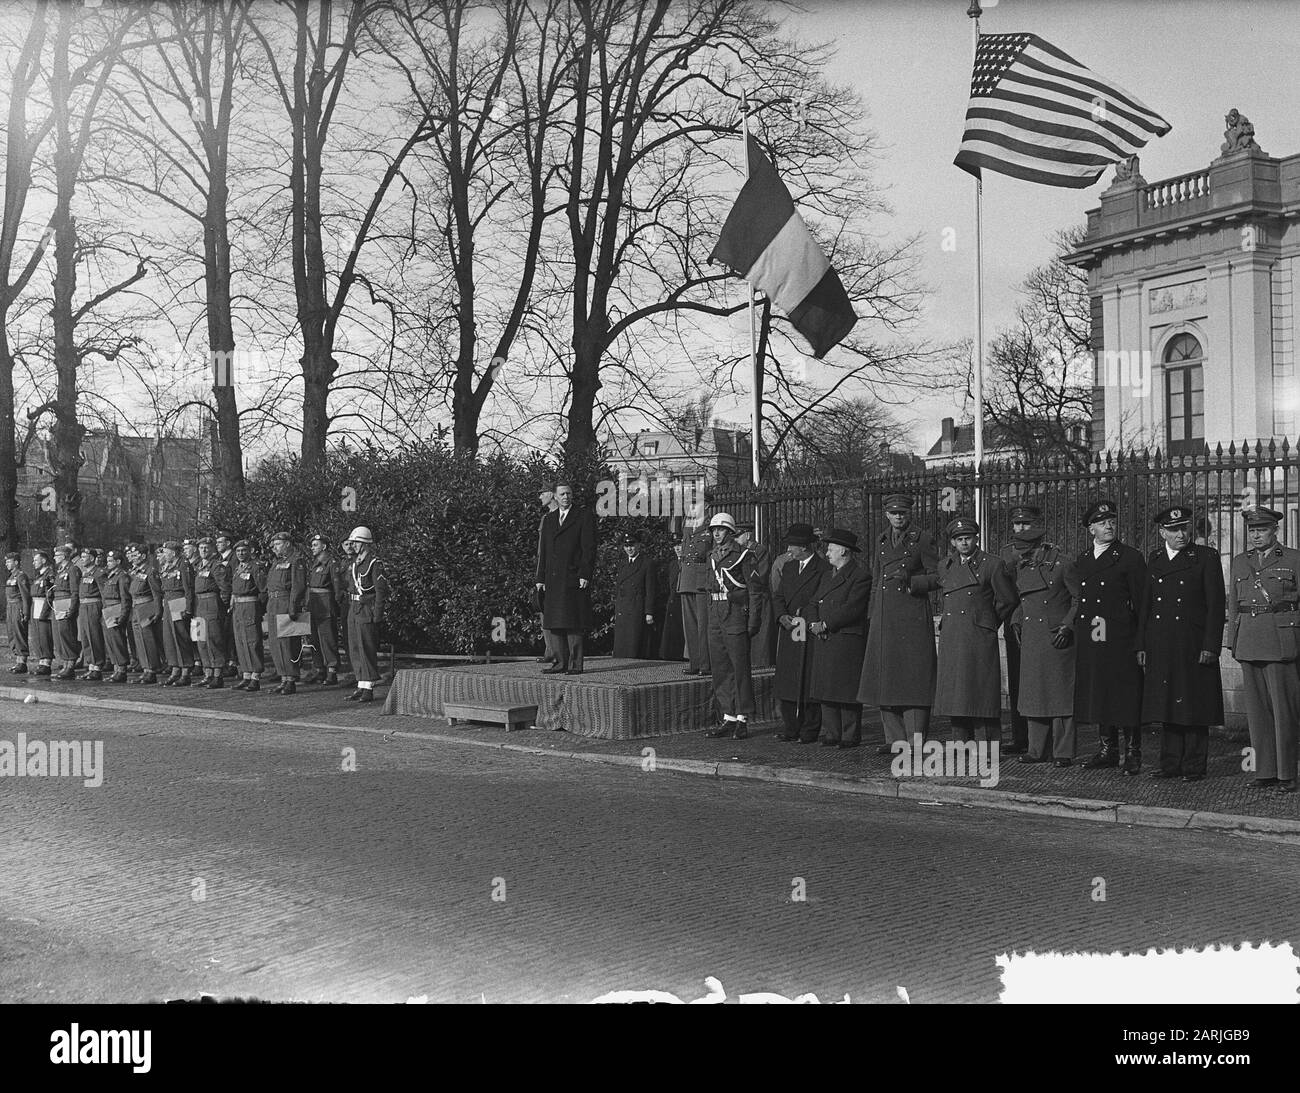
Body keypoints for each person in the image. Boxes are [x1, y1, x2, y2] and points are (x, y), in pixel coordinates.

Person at [1137, 506, 1225, 783]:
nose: (1180, 534)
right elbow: (1146, 607)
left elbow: (1216, 605)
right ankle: (1170, 763)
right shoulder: (1155, 559)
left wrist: (1211, 645)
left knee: (1194, 704)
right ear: (1162, 531)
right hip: (1161, 641)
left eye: (1184, 528)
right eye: (1173, 529)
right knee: (1166, 704)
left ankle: (1194, 765)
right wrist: (1142, 645)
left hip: (1193, 642)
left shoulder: (1205, 557)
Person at [916, 517, 1018, 743]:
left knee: (981, 693)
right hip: (953, 635)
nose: (964, 543)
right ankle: (960, 744)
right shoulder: (946, 565)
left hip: (979, 636)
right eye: (959, 539)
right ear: (952, 542)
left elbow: (1008, 599)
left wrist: (987, 622)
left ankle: (987, 746)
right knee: (956, 695)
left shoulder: (992, 564)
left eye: (968, 538)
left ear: (976, 539)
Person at [858, 494, 939, 753]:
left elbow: (938, 576)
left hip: (912, 615)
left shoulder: (922, 539)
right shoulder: (882, 540)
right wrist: (873, 614)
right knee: (886, 678)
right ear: (887, 515)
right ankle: (894, 740)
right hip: (884, 617)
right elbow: (875, 580)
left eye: (903, 513)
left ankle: (915, 741)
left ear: (910, 514)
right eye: (894, 513)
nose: (898, 517)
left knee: (912, 679)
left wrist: (912, 581)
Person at [1071, 500, 1147, 774]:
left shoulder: (1130, 557)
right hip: (1093, 637)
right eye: (1102, 523)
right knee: (1100, 692)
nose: (1108, 526)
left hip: (1121, 637)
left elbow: (1141, 605)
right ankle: (1107, 749)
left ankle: (1133, 752)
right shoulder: (1083, 560)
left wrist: (1141, 643)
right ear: (1090, 528)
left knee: (1126, 696)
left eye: (1112, 521)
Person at [1227, 507, 1299, 792]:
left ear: (1275, 531)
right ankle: (1265, 771)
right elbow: (1234, 603)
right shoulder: (1239, 562)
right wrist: (1232, 640)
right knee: (1257, 714)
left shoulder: (1293, 559)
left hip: (1281, 642)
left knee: (1285, 711)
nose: (1256, 535)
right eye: (1252, 531)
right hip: (1249, 641)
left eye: (1262, 530)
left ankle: (1287, 774)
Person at [1010, 518, 1078, 766]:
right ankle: (1036, 749)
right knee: (1033, 694)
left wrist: (1068, 626)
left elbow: (1079, 599)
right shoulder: (1023, 567)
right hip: (1032, 637)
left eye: (1027, 551)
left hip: (1057, 637)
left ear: (1039, 546)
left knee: (1060, 697)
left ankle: (1063, 752)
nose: (1023, 556)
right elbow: (1022, 598)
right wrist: (1016, 619)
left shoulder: (1064, 564)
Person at [808, 529, 872, 748]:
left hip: (845, 638)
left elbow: (853, 608)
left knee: (846, 689)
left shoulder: (860, 575)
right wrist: (814, 623)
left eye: (831, 549)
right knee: (827, 687)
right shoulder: (827, 575)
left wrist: (826, 624)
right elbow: (814, 602)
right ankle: (832, 732)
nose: (827, 553)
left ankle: (850, 734)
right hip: (825, 637)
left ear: (844, 551)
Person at [703, 512, 763, 739]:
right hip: (716, 617)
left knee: (740, 669)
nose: (716, 534)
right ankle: (728, 716)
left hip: (736, 615)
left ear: (730, 532)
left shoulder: (745, 556)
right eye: (713, 530)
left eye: (721, 530)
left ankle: (742, 717)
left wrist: (753, 622)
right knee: (720, 669)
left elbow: (755, 592)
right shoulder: (711, 556)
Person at [772, 524, 830, 743]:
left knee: (807, 678)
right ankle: (791, 727)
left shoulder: (822, 568)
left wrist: (802, 616)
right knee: (788, 678)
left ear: (804, 547)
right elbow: (778, 596)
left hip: (806, 628)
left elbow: (821, 599)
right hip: (790, 628)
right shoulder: (788, 568)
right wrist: (781, 616)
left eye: (792, 545)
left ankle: (809, 729)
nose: (789, 550)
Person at [535, 482, 596, 675]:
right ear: (555, 496)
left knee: (573, 622)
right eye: (562, 494)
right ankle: (559, 663)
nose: (566, 497)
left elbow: (589, 548)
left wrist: (585, 573)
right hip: (553, 578)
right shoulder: (550, 519)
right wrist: (540, 578)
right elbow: (543, 551)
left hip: (573, 577)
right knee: (555, 622)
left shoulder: (583, 516)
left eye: (569, 493)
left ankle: (575, 664)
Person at [999, 505, 1040, 754]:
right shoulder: (1006, 553)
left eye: (1027, 524)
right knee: (1016, 681)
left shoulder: (1044, 551)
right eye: (1018, 524)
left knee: (1037, 680)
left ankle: (1039, 738)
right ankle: (1020, 737)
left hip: (1037, 618)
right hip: (1013, 620)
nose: (1022, 529)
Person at [345, 526, 388, 702]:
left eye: (356, 543)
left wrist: (377, 615)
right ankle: (361, 684)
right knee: (355, 647)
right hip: (354, 609)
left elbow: (380, 592)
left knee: (366, 647)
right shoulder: (356, 563)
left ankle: (369, 687)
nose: (353, 546)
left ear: (364, 543)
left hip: (366, 609)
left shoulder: (373, 563)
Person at [265, 530, 307, 695]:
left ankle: (291, 679)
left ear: (287, 543)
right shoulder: (277, 562)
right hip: (273, 603)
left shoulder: (296, 561)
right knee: (276, 643)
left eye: (278, 544)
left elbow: (298, 586)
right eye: (274, 544)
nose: (275, 547)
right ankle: (283, 677)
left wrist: (293, 607)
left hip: (285, 603)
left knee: (288, 643)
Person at [305, 532, 346, 685]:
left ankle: (332, 670)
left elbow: (336, 586)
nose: (312, 548)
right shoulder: (315, 563)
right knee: (314, 638)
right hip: (314, 603)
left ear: (324, 546)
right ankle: (319, 669)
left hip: (325, 604)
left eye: (315, 545)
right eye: (312, 545)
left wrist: (336, 604)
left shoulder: (331, 562)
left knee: (327, 638)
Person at [193, 537, 232, 689]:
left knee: (213, 639)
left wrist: (222, 606)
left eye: (206, 548)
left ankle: (217, 675)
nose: (203, 550)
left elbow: (225, 588)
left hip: (211, 603)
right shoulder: (198, 566)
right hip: (199, 605)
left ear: (213, 549)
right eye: (201, 547)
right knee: (200, 639)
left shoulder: (217, 566)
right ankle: (207, 673)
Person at [157, 540, 196, 687]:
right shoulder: (166, 566)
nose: (164, 555)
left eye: (166, 553)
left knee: (181, 636)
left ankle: (185, 671)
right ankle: (174, 669)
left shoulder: (183, 564)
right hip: (168, 601)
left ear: (173, 553)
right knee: (169, 637)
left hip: (179, 601)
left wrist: (189, 608)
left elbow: (188, 588)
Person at [735, 521, 774, 669]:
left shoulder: (758, 550)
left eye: (738, 536)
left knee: (760, 630)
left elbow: (760, 575)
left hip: (757, 593)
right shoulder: (739, 551)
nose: (736, 540)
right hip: (745, 594)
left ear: (748, 535)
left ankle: (761, 662)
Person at [230, 539, 267, 692]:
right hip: (238, 606)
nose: (240, 554)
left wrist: (259, 609)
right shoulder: (238, 568)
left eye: (244, 551)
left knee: (252, 640)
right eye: (238, 551)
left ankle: (255, 676)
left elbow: (263, 590)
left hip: (250, 605)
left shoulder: (256, 567)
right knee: (240, 640)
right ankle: (246, 674)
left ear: (250, 551)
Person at [613, 530, 656, 659]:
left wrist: (649, 612)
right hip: (623, 607)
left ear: (638, 545)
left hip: (637, 607)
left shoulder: (647, 563)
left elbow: (650, 590)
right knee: (622, 643)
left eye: (632, 545)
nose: (629, 549)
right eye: (626, 546)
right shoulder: (622, 563)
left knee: (634, 643)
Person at [677, 523, 713, 675]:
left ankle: (706, 665)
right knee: (690, 626)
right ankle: (695, 663)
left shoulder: (711, 527)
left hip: (701, 581)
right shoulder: (686, 527)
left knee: (703, 625)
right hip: (686, 579)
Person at [126, 542, 163, 684]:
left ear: (142, 556)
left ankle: (152, 670)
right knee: (139, 641)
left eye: (135, 555)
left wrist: (157, 612)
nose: (133, 558)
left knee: (147, 640)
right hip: (136, 608)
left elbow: (156, 594)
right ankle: (145, 668)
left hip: (146, 607)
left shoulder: (150, 571)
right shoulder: (136, 571)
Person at [98, 548, 133, 683]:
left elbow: (125, 598)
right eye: (107, 561)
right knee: (110, 641)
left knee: (118, 641)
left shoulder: (122, 576)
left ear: (118, 562)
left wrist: (123, 615)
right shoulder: (109, 576)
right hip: (108, 609)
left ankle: (121, 669)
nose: (108, 563)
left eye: (111, 561)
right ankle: (115, 668)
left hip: (116, 609)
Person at [535, 491, 561, 665]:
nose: (540, 498)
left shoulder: (561, 517)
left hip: (558, 570)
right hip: (545, 568)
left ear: (551, 494)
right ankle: (550, 650)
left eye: (542, 493)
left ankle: (559, 652)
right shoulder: (546, 518)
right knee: (544, 611)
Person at [50, 543, 81, 681]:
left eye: (56, 555)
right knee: (60, 634)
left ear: (63, 556)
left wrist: (72, 608)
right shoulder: (60, 570)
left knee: (68, 633)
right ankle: (65, 662)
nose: (54, 558)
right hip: (59, 603)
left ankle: (70, 664)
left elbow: (75, 591)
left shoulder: (72, 569)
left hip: (67, 603)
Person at [75, 547, 106, 681]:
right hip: (83, 606)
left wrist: (103, 612)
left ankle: (97, 666)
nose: (82, 560)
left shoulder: (98, 573)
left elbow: (104, 593)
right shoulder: (84, 573)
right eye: (81, 557)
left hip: (94, 606)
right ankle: (90, 665)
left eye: (84, 557)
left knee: (94, 636)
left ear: (92, 558)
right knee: (86, 637)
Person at [215, 529, 239, 677]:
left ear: (228, 543)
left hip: (230, 598)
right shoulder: (219, 558)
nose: (218, 544)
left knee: (231, 632)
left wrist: (231, 597)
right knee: (223, 631)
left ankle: (232, 663)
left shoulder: (234, 558)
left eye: (220, 542)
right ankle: (228, 661)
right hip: (220, 599)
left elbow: (235, 579)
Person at [658, 533, 686, 661]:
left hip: (684, 600)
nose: (677, 548)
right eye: (675, 546)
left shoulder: (688, 563)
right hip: (673, 600)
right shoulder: (673, 564)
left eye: (680, 545)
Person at [28, 548, 54, 677]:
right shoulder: (39, 575)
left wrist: (45, 611)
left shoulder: (49, 574)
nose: (34, 563)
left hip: (44, 606)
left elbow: (50, 594)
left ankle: (47, 662)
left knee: (45, 635)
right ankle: (41, 660)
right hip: (36, 605)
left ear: (43, 560)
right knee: (37, 635)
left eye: (36, 560)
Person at [5, 550, 31, 673]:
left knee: (19, 633)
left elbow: (25, 596)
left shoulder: (21, 576)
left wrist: (25, 612)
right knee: (12, 634)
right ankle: (18, 660)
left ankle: (22, 661)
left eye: (9, 561)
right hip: (10, 607)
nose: (6, 564)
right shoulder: (11, 576)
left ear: (16, 562)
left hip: (18, 606)